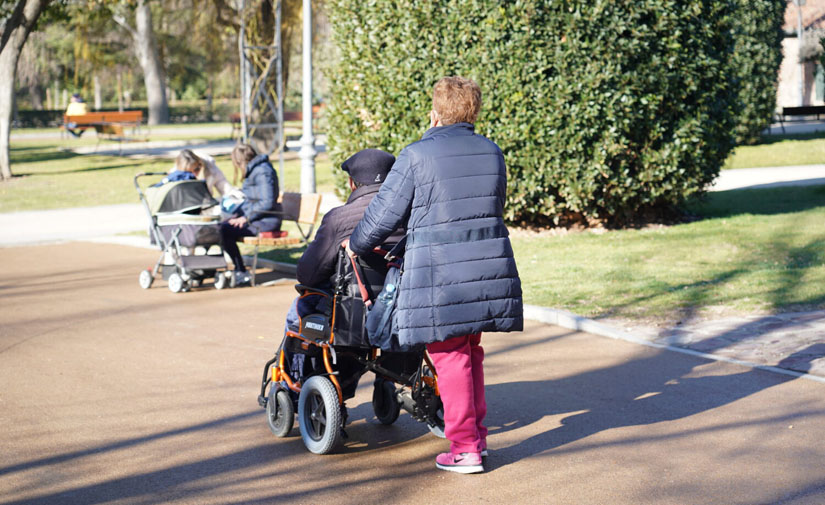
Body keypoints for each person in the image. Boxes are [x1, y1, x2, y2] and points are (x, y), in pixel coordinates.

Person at [346, 76, 523, 474]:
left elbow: (384, 214)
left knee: (450, 355)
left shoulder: (417, 155)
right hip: (487, 263)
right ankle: (476, 436)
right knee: (469, 352)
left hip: (441, 271)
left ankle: (464, 448)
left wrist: (356, 244)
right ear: (473, 110)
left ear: (436, 111)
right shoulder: (492, 152)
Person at [283, 148, 401, 400]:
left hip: (352, 318)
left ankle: (294, 388)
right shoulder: (410, 214)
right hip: (400, 311)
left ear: (352, 183)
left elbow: (308, 275)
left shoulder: (339, 218)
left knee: (298, 312)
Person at [220, 143, 282, 286]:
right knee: (222, 226)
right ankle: (239, 269)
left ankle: (241, 271)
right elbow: (254, 199)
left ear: (240, 160)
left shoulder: (263, 172)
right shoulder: (255, 170)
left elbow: (267, 202)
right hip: (258, 217)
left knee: (225, 230)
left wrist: (246, 218)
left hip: (267, 219)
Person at [171, 149, 244, 201]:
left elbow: (225, 187)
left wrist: (237, 196)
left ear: (200, 164)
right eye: (188, 173)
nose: (194, 173)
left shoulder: (210, 168)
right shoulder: (175, 176)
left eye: (196, 169)